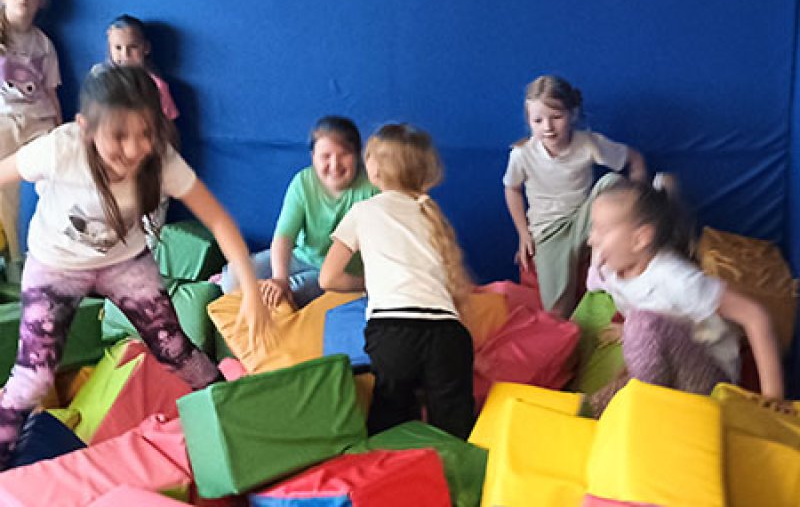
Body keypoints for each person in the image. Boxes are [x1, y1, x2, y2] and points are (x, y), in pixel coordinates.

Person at [0, 65, 268, 469]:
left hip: (124, 262)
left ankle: (235, 424)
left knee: (176, 351)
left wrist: (249, 290)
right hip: (56, 264)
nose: (134, 148)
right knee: (33, 379)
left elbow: (218, 221)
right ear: (86, 128)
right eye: (119, 136)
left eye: (145, 133)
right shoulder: (61, 149)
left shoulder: (159, 160)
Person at [320, 123, 475, 439]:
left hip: (394, 333)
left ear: (375, 168)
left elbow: (328, 278)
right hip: (448, 335)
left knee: (391, 425)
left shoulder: (363, 210)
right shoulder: (431, 213)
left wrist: (367, 283)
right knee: (454, 430)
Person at [586, 178, 784, 414]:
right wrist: (629, 332)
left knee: (640, 325)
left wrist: (773, 397)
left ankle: (643, 406)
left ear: (640, 239)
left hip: (708, 376)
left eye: (602, 231)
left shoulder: (677, 279)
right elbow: (647, 308)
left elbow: (755, 315)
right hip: (669, 355)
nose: (591, 239)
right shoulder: (611, 268)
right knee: (590, 406)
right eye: (593, 228)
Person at [503, 75, 646, 316]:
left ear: (572, 114)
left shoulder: (587, 144)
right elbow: (512, 189)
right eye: (538, 120)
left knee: (611, 182)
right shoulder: (522, 154)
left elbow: (635, 159)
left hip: (585, 220)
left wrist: (640, 200)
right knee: (556, 311)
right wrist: (523, 232)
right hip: (549, 231)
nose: (548, 127)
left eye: (556, 117)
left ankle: (600, 269)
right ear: (529, 121)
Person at [219, 115, 377, 309]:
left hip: (336, 274)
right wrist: (279, 277)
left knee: (286, 296)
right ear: (313, 157)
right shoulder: (303, 182)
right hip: (301, 257)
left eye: (344, 154)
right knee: (232, 279)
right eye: (326, 156)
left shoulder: (371, 189)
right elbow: (284, 236)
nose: (335, 164)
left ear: (358, 155)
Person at [0, 0, 63, 264]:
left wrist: (60, 130)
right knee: (5, 193)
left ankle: (52, 252)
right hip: (3, 122)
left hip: (38, 121)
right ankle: (14, 258)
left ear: (42, 1)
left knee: (58, 180)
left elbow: (51, 92)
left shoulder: (43, 44)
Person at [99, 14, 179, 245]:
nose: (124, 55)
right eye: (118, 48)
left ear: (145, 48)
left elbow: (169, 128)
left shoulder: (156, 86)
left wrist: (165, 163)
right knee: (113, 222)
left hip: (149, 167)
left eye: (132, 48)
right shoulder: (103, 82)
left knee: (149, 228)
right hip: (115, 168)